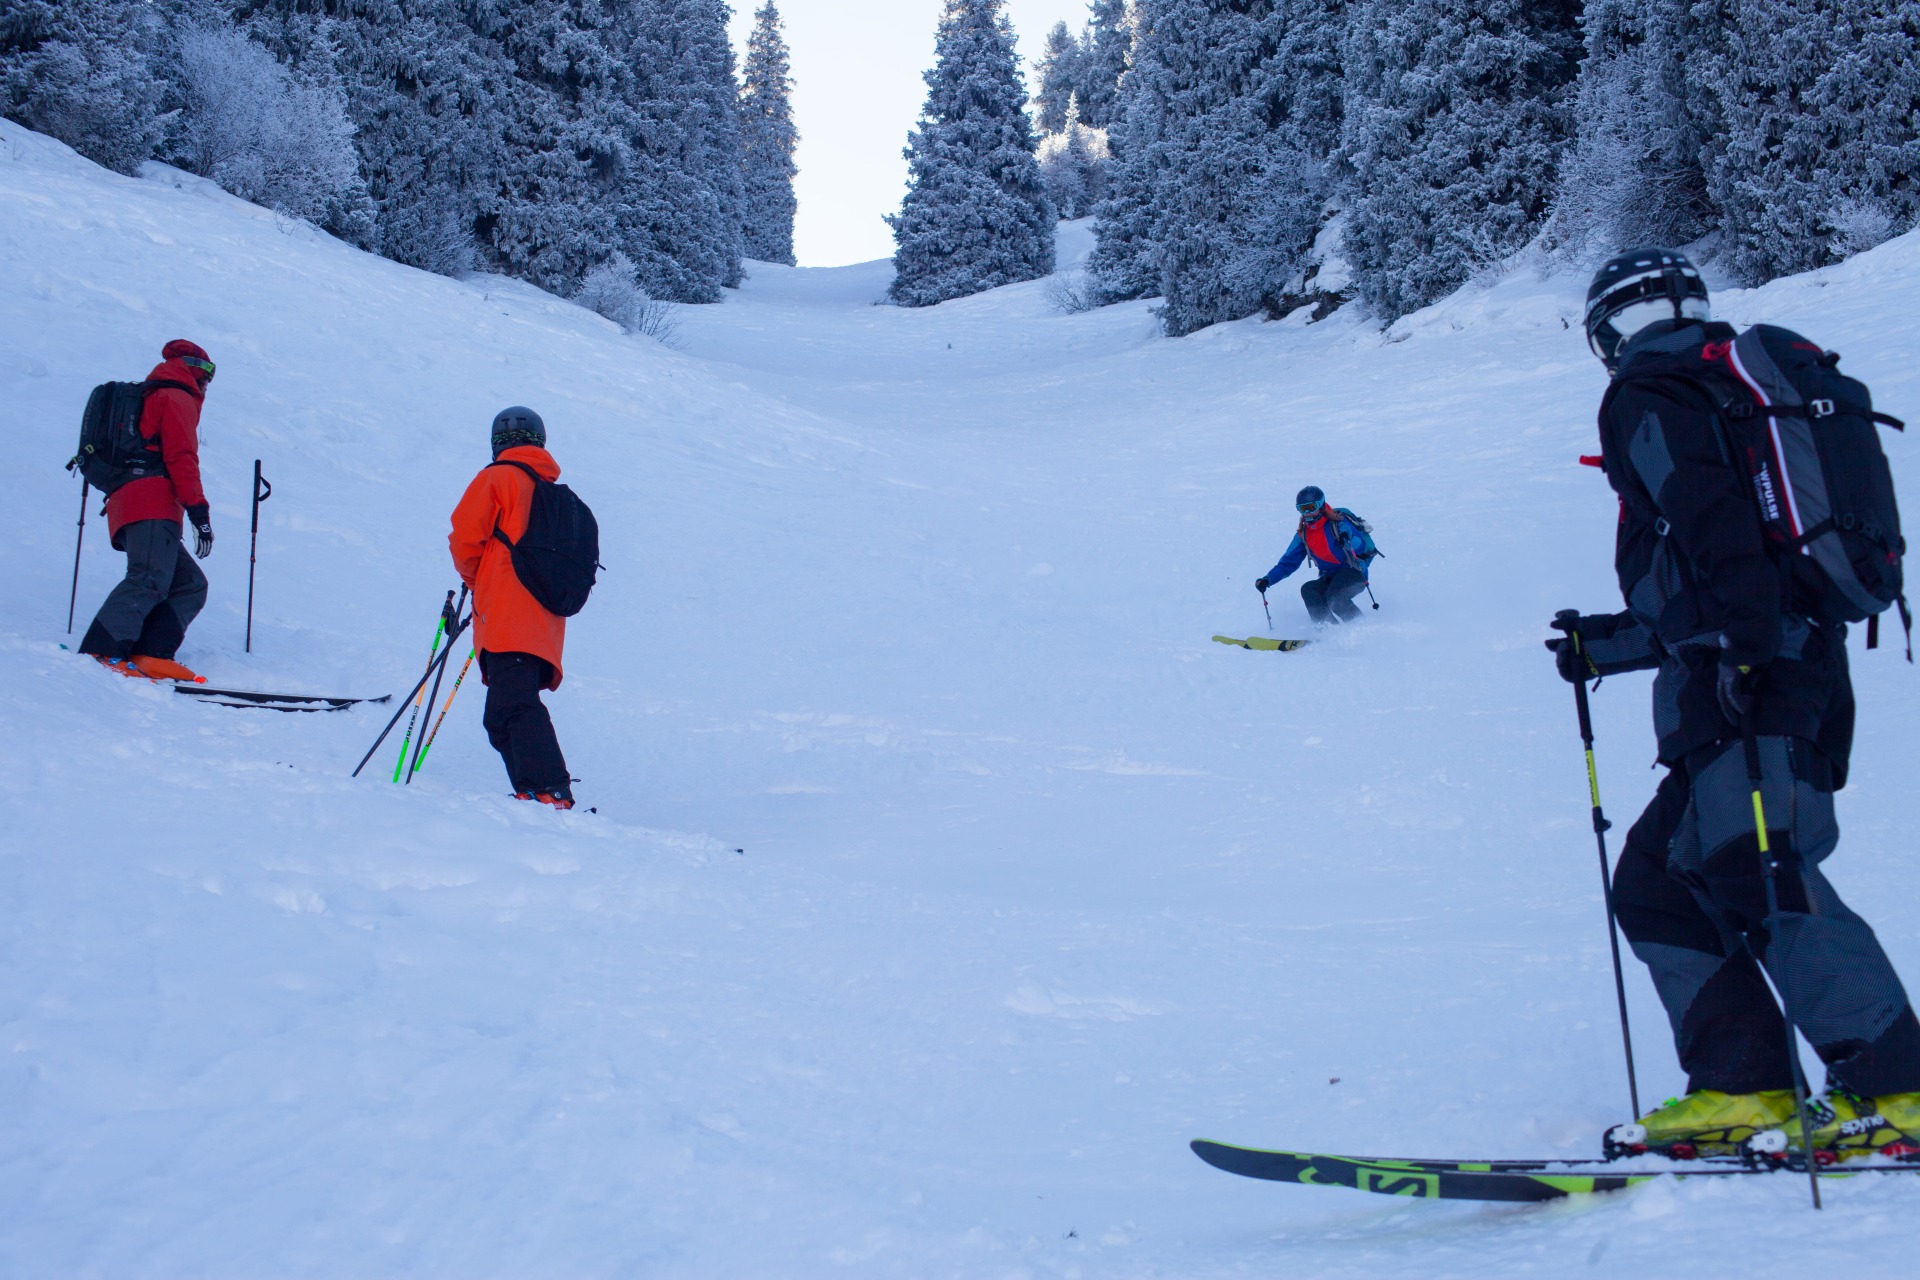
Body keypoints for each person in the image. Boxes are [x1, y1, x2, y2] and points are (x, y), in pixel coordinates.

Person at [1550, 248, 1918, 1160]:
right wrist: (1613, 644)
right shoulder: (1722, 393)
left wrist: (1744, 656)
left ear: (1612, 329)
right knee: (1660, 880)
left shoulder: (1651, 391)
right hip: (1771, 674)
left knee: (1765, 871)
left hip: (1754, 684)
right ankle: (1745, 1089)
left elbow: (1717, 531)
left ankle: (1899, 1087)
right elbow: (1716, 568)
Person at [449, 407, 575, 811]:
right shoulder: (554, 494)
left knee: (514, 707)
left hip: (506, 614)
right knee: (502, 713)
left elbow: (466, 540)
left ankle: (549, 792)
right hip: (544, 622)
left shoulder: (497, 479)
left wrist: (477, 582)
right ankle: (534, 794)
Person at [78, 339, 217, 681]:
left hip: (132, 502)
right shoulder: (176, 395)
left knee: (189, 583)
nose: (208, 382)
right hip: (150, 500)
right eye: (207, 373)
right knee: (149, 577)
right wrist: (198, 510)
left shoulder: (155, 394)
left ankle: (150, 652)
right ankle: (103, 649)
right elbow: (181, 457)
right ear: (193, 369)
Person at [1255, 486, 1374, 625]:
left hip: (1354, 573)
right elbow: (1288, 563)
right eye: (1302, 509)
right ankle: (1327, 632)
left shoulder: (1339, 524)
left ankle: (1361, 628)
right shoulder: (1304, 534)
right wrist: (1268, 579)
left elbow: (1361, 547)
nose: (1307, 513)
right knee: (1309, 590)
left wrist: (1347, 538)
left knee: (1336, 597)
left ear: (1321, 505)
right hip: (1329, 577)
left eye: (1311, 507)